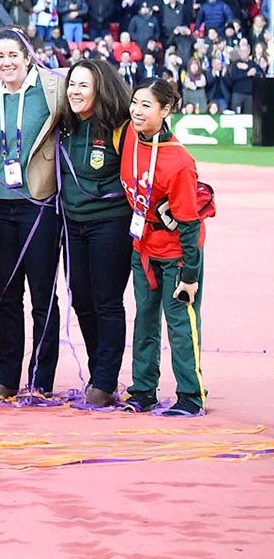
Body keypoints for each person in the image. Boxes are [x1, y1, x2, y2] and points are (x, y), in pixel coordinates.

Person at [0, 28, 65, 402]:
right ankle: (7, 378)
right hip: (4, 201)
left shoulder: (51, 88)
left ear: (28, 56)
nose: (6, 63)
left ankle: (41, 379)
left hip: (40, 202)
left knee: (42, 296)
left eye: (13, 55)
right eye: (0, 56)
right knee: (7, 295)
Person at [121, 78, 207, 416]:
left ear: (166, 110)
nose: (137, 111)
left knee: (180, 325)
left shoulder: (179, 162)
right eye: (135, 102)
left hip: (176, 255)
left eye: (146, 105)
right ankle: (143, 390)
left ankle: (191, 395)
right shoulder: (130, 134)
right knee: (144, 321)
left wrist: (190, 274)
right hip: (143, 248)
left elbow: (189, 223)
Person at [57, 56, 133, 408]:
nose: (74, 91)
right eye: (71, 84)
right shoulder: (65, 125)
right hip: (73, 223)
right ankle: (98, 371)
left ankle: (104, 382)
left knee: (106, 302)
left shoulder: (120, 126)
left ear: (100, 88)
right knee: (82, 300)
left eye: (83, 85)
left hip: (110, 223)